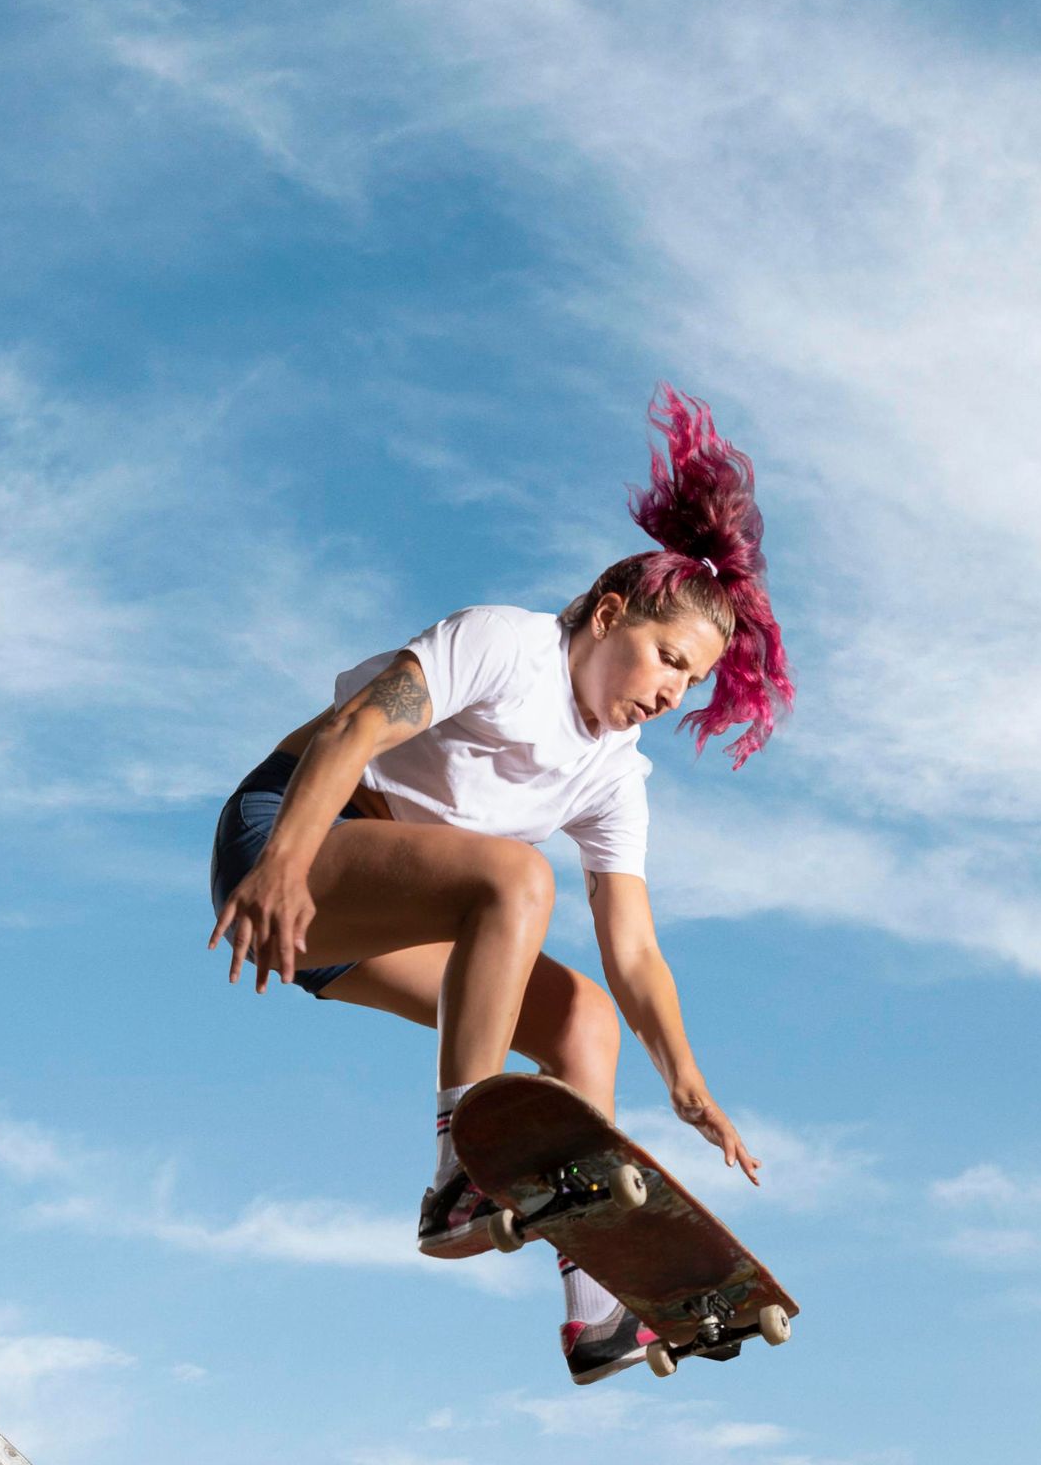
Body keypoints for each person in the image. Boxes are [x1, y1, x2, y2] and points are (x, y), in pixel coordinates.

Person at [207, 388, 794, 1386]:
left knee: (587, 1021)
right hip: (292, 834)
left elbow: (635, 948)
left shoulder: (615, 775)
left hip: (387, 912)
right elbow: (355, 729)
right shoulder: (505, 646)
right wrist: (283, 867)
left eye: (692, 683)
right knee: (517, 878)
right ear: (608, 614)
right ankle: (456, 1176)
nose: (671, 692)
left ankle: (597, 1313)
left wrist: (687, 1081)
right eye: (667, 659)